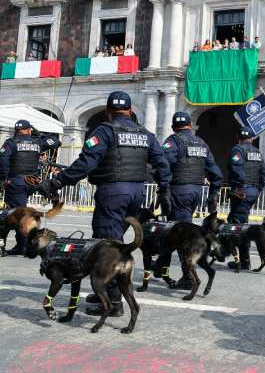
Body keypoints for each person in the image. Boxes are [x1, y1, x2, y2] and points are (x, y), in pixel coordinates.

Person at [37, 91, 171, 317]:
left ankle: (112, 302)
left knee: (108, 245)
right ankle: (110, 288)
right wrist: (165, 188)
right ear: (130, 111)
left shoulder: (105, 131)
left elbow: (86, 163)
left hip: (113, 192)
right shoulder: (145, 134)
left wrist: (58, 181)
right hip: (136, 194)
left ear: (109, 111)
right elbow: (162, 163)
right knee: (116, 242)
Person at [157, 112, 223, 288]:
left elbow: (163, 164)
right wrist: (213, 193)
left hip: (179, 190)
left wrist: (162, 187)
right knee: (174, 229)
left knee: (180, 234)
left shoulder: (174, 141)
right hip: (195, 192)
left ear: (173, 127)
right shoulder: (202, 143)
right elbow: (216, 173)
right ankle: (160, 267)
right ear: (190, 126)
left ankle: (188, 278)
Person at [0, 120, 61, 255]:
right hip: (32, 183)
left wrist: (4, 179)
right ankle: (21, 245)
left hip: (16, 183)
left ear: (16, 130)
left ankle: (23, 246)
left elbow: (3, 159)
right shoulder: (37, 143)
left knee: (17, 215)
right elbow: (56, 141)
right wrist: (38, 133)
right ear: (29, 130)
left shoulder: (11, 143)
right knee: (20, 213)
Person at [227, 127, 265, 270]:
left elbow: (236, 170)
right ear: (252, 138)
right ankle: (240, 258)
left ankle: (244, 261)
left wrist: (240, 186)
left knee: (238, 226)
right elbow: (264, 173)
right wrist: (257, 189)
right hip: (252, 191)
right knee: (236, 222)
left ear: (238, 137)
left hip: (241, 191)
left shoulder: (237, 150)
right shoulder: (257, 152)